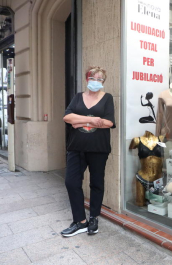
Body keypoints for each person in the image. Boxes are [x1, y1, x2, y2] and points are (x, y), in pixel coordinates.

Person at [61, 66, 115, 237]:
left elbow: (109, 123)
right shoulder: (78, 97)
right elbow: (67, 118)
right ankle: (80, 221)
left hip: (98, 148)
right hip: (76, 147)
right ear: (87, 79)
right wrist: (91, 120)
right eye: (94, 78)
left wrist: (79, 122)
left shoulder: (107, 98)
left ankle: (93, 218)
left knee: (96, 183)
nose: (96, 82)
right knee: (71, 182)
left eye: (100, 79)